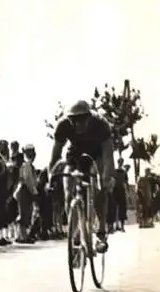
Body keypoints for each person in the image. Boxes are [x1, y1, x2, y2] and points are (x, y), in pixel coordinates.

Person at [48, 100, 115, 253]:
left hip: (97, 155)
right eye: (74, 121)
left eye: (82, 120)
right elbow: (55, 156)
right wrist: (52, 176)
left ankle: (102, 232)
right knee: (68, 190)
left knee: (100, 189)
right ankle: (75, 233)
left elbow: (108, 156)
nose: (78, 124)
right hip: (75, 155)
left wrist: (106, 177)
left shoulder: (101, 125)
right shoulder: (63, 125)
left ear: (89, 117)